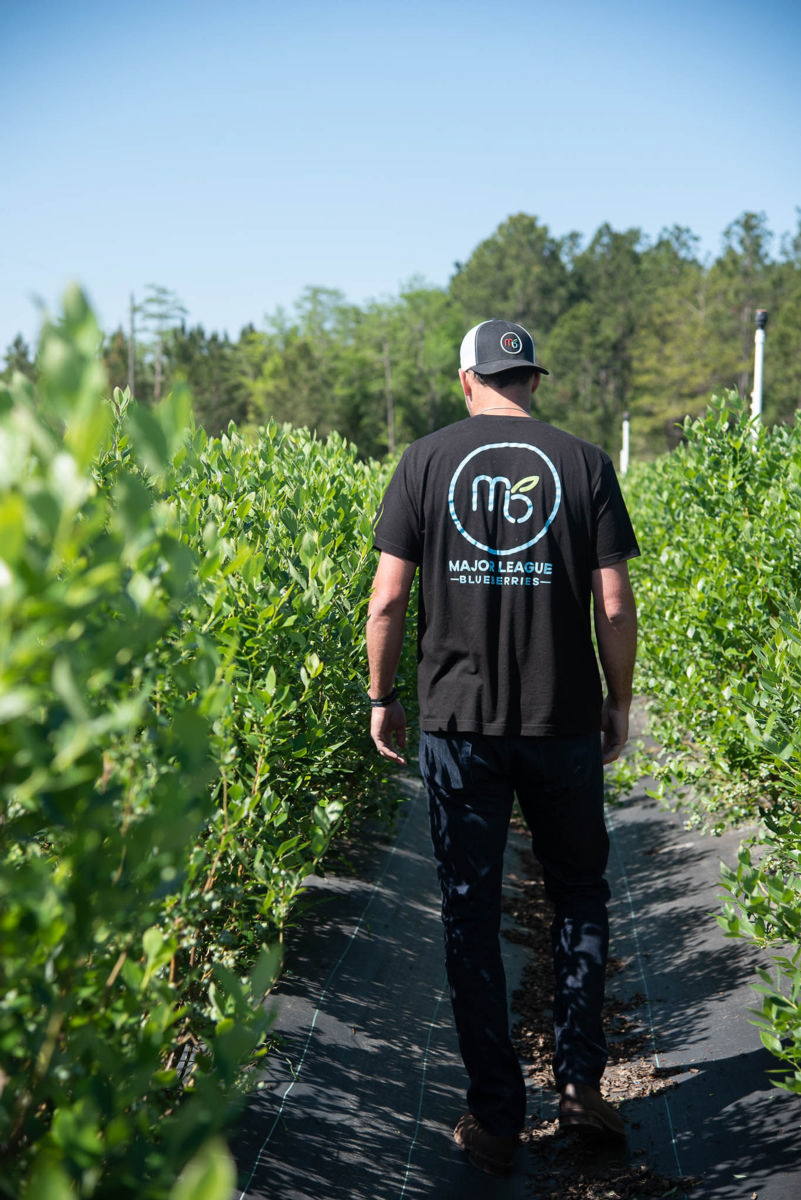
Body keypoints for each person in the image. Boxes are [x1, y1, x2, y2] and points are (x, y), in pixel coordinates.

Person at [366, 319, 639, 1176]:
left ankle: (493, 1117)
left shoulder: (424, 461)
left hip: (459, 727)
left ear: (465, 379)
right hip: (559, 720)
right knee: (580, 897)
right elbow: (614, 602)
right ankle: (580, 1092)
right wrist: (618, 699)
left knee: (469, 913)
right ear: (531, 380)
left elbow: (386, 600)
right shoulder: (584, 463)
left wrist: (381, 698)